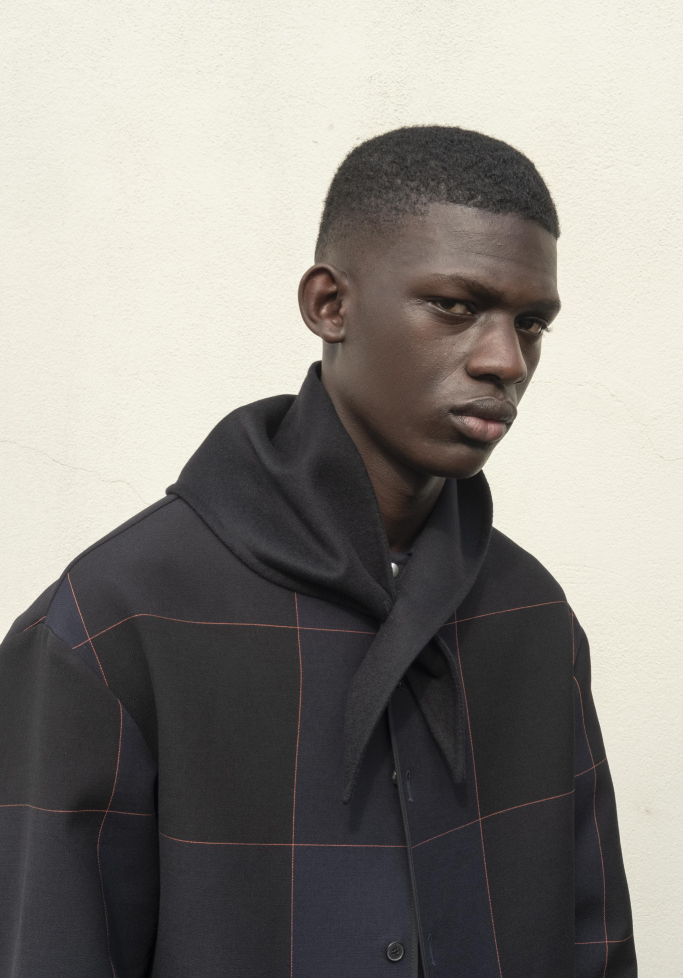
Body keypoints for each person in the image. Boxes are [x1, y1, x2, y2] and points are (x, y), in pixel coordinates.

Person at [0, 126, 636, 977]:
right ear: (329, 305)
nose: (503, 360)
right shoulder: (112, 625)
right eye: (455, 306)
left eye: (530, 323)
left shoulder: (532, 616)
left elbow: (594, 945)